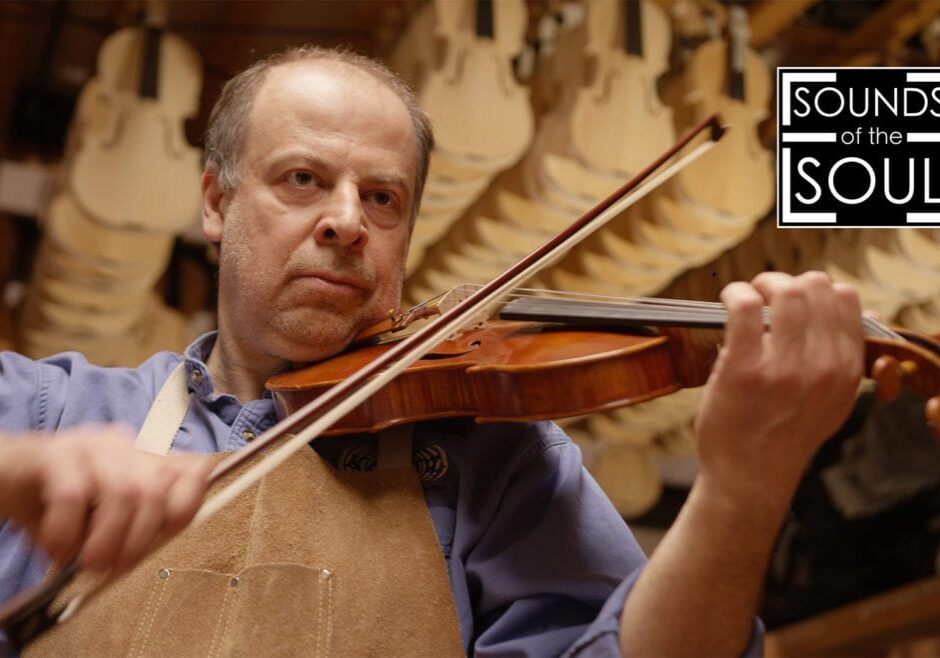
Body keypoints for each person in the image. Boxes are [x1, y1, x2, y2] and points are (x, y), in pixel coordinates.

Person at [0, 46, 864, 656]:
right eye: (303, 179)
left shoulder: (494, 460)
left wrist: (742, 492)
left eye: (383, 197)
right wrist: (24, 470)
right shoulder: (55, 410)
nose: (348, 220)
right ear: (217, 203)